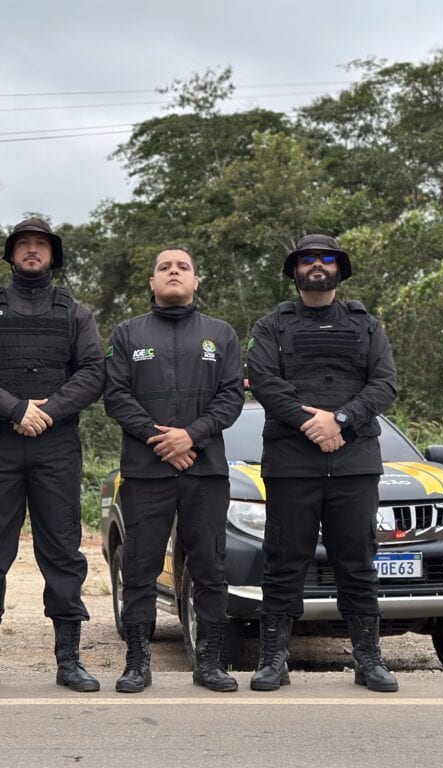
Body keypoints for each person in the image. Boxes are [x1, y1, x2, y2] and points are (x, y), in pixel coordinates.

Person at [0, 217, 105, 693]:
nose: (32, 250)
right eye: (24, 244)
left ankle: (69, 661)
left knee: (62, 552)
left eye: (41, 244)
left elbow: (93, 373)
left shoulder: (75, 312)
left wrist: (47, 412)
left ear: (52, 254)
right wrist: (16, 409)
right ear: (11, 253)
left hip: (56, 446)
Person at [246, 233, 399, 693]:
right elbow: (264, 382)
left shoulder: (367, 325)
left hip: (355, 464)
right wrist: (311, 423)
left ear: (338, 268)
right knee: (283, 561)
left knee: (357, 562)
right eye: (308, 259)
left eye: (326, 258)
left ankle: (368, 660)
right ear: (294, 270)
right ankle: (273, 660)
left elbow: (385, 384)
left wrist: (341, 419)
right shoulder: (270, 326)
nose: (317, 264)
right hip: (291, 464)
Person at [104, 247, 244, 693]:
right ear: (152, 282)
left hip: (205, 472)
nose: (173, 272)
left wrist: (191, 437)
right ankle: (137, 663)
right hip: (146, 472)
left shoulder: (220, 334)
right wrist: (160, 439)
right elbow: (116, 396)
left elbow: (231, 398)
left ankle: (209, 663)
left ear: (195, 280)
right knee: (139, 566)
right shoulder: (128, 334)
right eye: (164, 267)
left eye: (183, 267)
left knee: (209, 567)